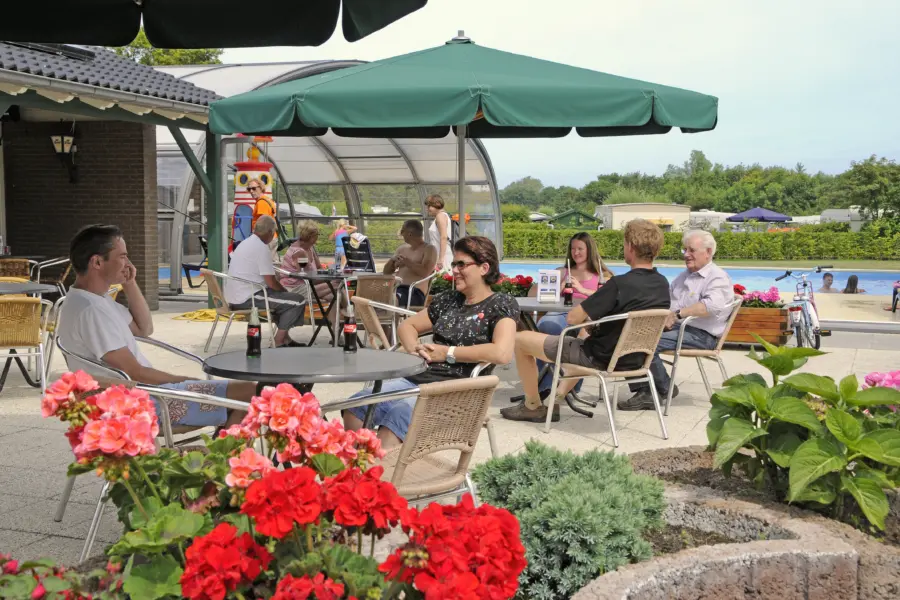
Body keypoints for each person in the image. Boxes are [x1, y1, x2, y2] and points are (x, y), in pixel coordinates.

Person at [57, 225, 257, 428]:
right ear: (97, 262)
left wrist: (130, 283)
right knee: (251, 392)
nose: (127, 263)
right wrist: (185, 380)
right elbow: (135, 372)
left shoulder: (95, 300)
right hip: (140, 401)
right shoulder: (91, 311)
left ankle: (227, 448)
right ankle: (230, 453)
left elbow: (144, 329)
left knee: (244, 396)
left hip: (139, 392)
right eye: (122, 257)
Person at [342, 236, 518, 449]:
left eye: (462, 264)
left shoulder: (500, 304)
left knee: (399, 413)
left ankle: (385, 477)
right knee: (357, 405)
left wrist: (448, 352)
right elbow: (407, 327)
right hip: (418, 379)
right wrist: (414, 349)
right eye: (454, 264)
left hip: (459, 388)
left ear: (484, 268)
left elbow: (502, 352)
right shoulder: (448, 300)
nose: (454, 270)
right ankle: (359, 469)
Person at [502, 219, 670, 422]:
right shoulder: (661, 283)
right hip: (636, 359)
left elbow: (573, 317)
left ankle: (532, 405)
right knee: (582, 341)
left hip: (599, 358)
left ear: (631, 247)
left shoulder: (619, 284)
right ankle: (553, 401)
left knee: (520, 340)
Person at [618, 229, 734, 410]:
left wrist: (678, 314)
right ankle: (647, 390)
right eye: (684, 250)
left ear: (708, 252)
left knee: (644, 341)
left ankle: (663, 388)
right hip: (679, 329)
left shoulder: (717, 277)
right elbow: (667, 304)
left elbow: (711, 306)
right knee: (627, 335)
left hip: (702, 335)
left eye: (691, 250)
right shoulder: (683, 277)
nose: (686, 255)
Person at [510, 232, 614, 404]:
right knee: (547, 325)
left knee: (575, 333)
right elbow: (532, 293)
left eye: (580, 248)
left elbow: (608, 300)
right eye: (573, 248)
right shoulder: (562, 272)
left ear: (590, 250)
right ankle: (546, 386)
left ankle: (564, 385)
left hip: (585, 320)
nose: (576, 252)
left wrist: (581, 288)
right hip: (558, 315)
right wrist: (555, 287)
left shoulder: (603, 276)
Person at [225, 216, 306, 347]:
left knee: (286, 300)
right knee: (297, 300)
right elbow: (271, 283)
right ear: (269, 232)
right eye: (274, 232)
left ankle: (286, 339)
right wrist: (284, 291)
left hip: (236, 295)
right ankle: (278, 341)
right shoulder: (261, 248)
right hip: (248, 296)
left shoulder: (246, 243)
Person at [279, 220, 340, 318]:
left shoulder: (310, 248)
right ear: (311, 236)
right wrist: (331, 278)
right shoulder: (299, 252)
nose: (318, 237)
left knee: (334, 296)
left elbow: (319, 268)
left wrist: (330, 274)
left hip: (307, 286)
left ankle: (335, 330)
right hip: (296, 289)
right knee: (338, 285)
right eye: (317, 234)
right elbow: (308, 277)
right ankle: (350, 314)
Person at [384, 219, 438, 307]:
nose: (401, 234)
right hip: (396, 288)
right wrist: (392, 260)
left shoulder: (429, 249)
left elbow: (425, 272)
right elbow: (386, 272)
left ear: (409, 234)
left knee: (392, 299)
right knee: (366, 293)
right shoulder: (401, 249)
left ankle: (394, 320)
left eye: (402, 231)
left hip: (414, 292)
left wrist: (407, 262)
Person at [248, 178, 279, 263]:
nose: (251, 191)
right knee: (272, 262)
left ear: (261, 188)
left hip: (265, 239)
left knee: (267, 264)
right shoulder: (267, 200)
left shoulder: (261, 203)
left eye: (254, 188)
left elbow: (263, 224)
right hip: (270, 237)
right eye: (249, 189)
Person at [425, 194, 452, 272]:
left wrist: (441, 258)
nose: (427, 209)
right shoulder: (443, 216)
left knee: (441, 279)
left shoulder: (440, 216)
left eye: (429, 206)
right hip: (440, 254)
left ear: (437, 205)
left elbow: (444, 237)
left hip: (443, 256)